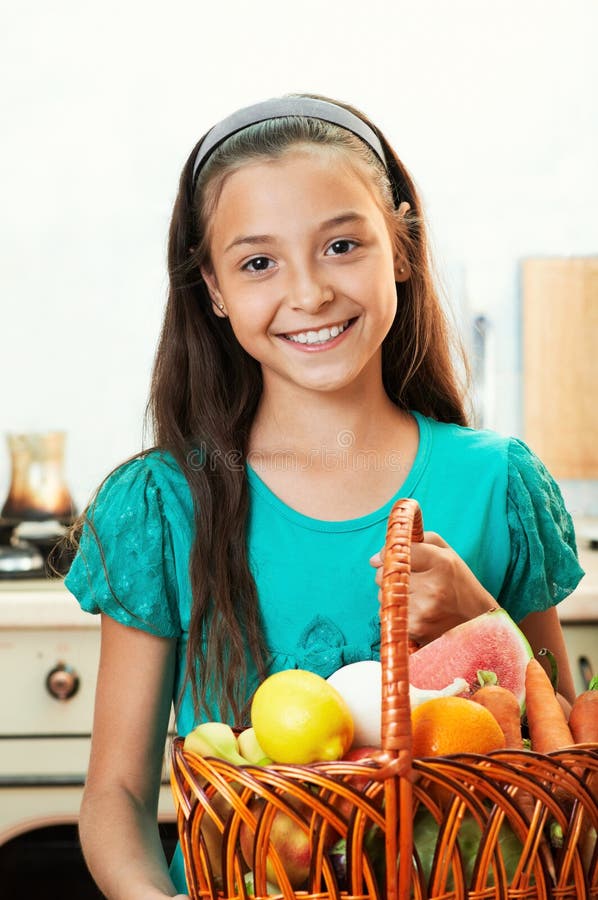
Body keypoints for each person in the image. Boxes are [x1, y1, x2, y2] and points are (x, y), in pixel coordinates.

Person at [64, 93, 584, 899]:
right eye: (259, 262)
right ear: (213, 289)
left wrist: (480, 614)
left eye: (342, 244)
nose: (308, 293)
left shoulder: (498, 482)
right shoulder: (163, 505)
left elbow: (561, 771)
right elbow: (117, 798)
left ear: (402, 249)